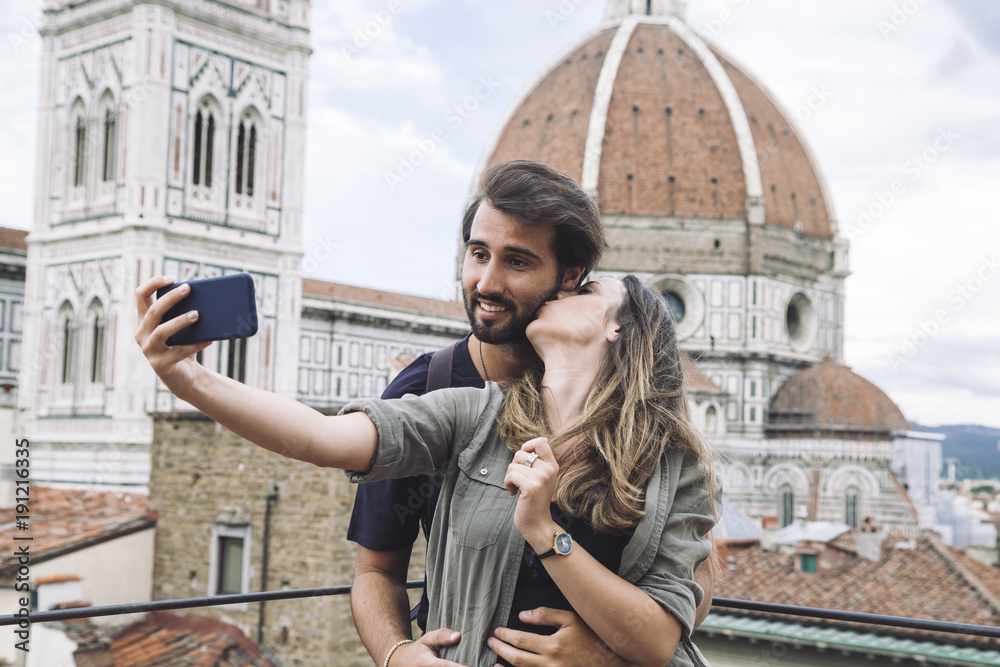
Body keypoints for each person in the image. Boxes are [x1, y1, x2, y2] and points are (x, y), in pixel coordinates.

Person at [135, 269, 720, 666]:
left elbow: (660, 636)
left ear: (618, 327)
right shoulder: (475, 416)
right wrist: (188, 380)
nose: (555, 296)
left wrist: (545, 533)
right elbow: (323, 437)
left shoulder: (672, 464)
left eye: (585, 290)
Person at [348, 160, 714, 665]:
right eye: (478, 254)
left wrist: (605, 657)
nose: (487, 283)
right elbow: (375, 571)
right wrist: (397, 654)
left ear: (570, 277)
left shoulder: (624, 401)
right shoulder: (429, 388)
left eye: (517, 262)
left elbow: (695, 583)